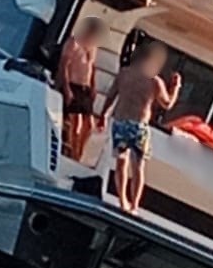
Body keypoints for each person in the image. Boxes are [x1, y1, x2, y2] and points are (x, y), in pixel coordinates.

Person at [101, 40, 181, 213]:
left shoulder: (124, 73)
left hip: (120, 122)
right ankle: (134, 205)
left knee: (121, 163)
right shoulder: (154, 81)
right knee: (138, 168)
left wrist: (103, 115)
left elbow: (111, 96)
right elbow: (167, 104)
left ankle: (123, 200)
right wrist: (175, 88)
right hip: (139, 126)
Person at [56, 17, 107, 160]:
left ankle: (79, 152)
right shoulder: (74, 42)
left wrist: (93, 86)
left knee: (89, 126)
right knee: (76, 123)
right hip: (73, 85)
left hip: (85, 87)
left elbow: (92, 67)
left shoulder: (93, 46)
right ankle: (72, 153)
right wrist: (66, 88)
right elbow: (64, 65)